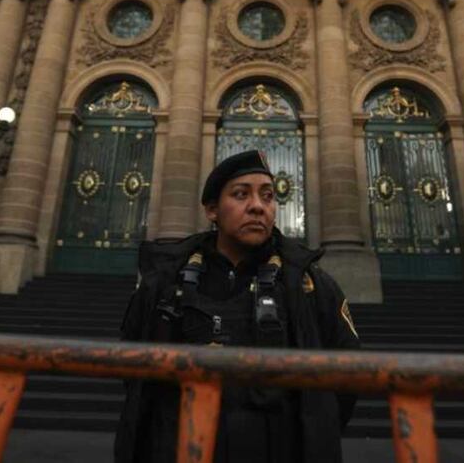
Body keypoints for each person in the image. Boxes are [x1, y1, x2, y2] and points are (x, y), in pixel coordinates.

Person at [114, 150, 360, 463]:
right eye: (241, 194)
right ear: (212, 210)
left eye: (268, 196)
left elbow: (347, 376)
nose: (258, 206)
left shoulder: (311, 286)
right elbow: (134, 372)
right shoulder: (163, 283)